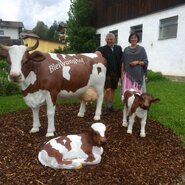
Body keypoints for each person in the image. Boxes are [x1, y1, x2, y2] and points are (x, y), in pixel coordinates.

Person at [96, 33, 122, 114]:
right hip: (106, 73)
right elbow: (96, 55)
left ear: (114, 40)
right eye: (108, 39)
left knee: (113, 90)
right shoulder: (101, 49)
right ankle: (107, 107)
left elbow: (122, 60)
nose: (110, 41)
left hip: (116, 72)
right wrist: (96, 52)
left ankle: (110, 106)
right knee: (107, 90)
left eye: (111, 39)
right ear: (106, 40)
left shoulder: (118, 48)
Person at [121, 32, 148, 96]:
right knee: (128, 92)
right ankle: (128, 105)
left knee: (138, 93)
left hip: (138, 74)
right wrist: (122, 73)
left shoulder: (141, 49)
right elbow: (123, 62)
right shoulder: (126, 50)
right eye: (132, 38)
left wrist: (137, 62)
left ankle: (138, 104)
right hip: (128, 75)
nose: (133, 39)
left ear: (137, 39)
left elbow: (145, 62)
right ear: (130, 39)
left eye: (135, 38)